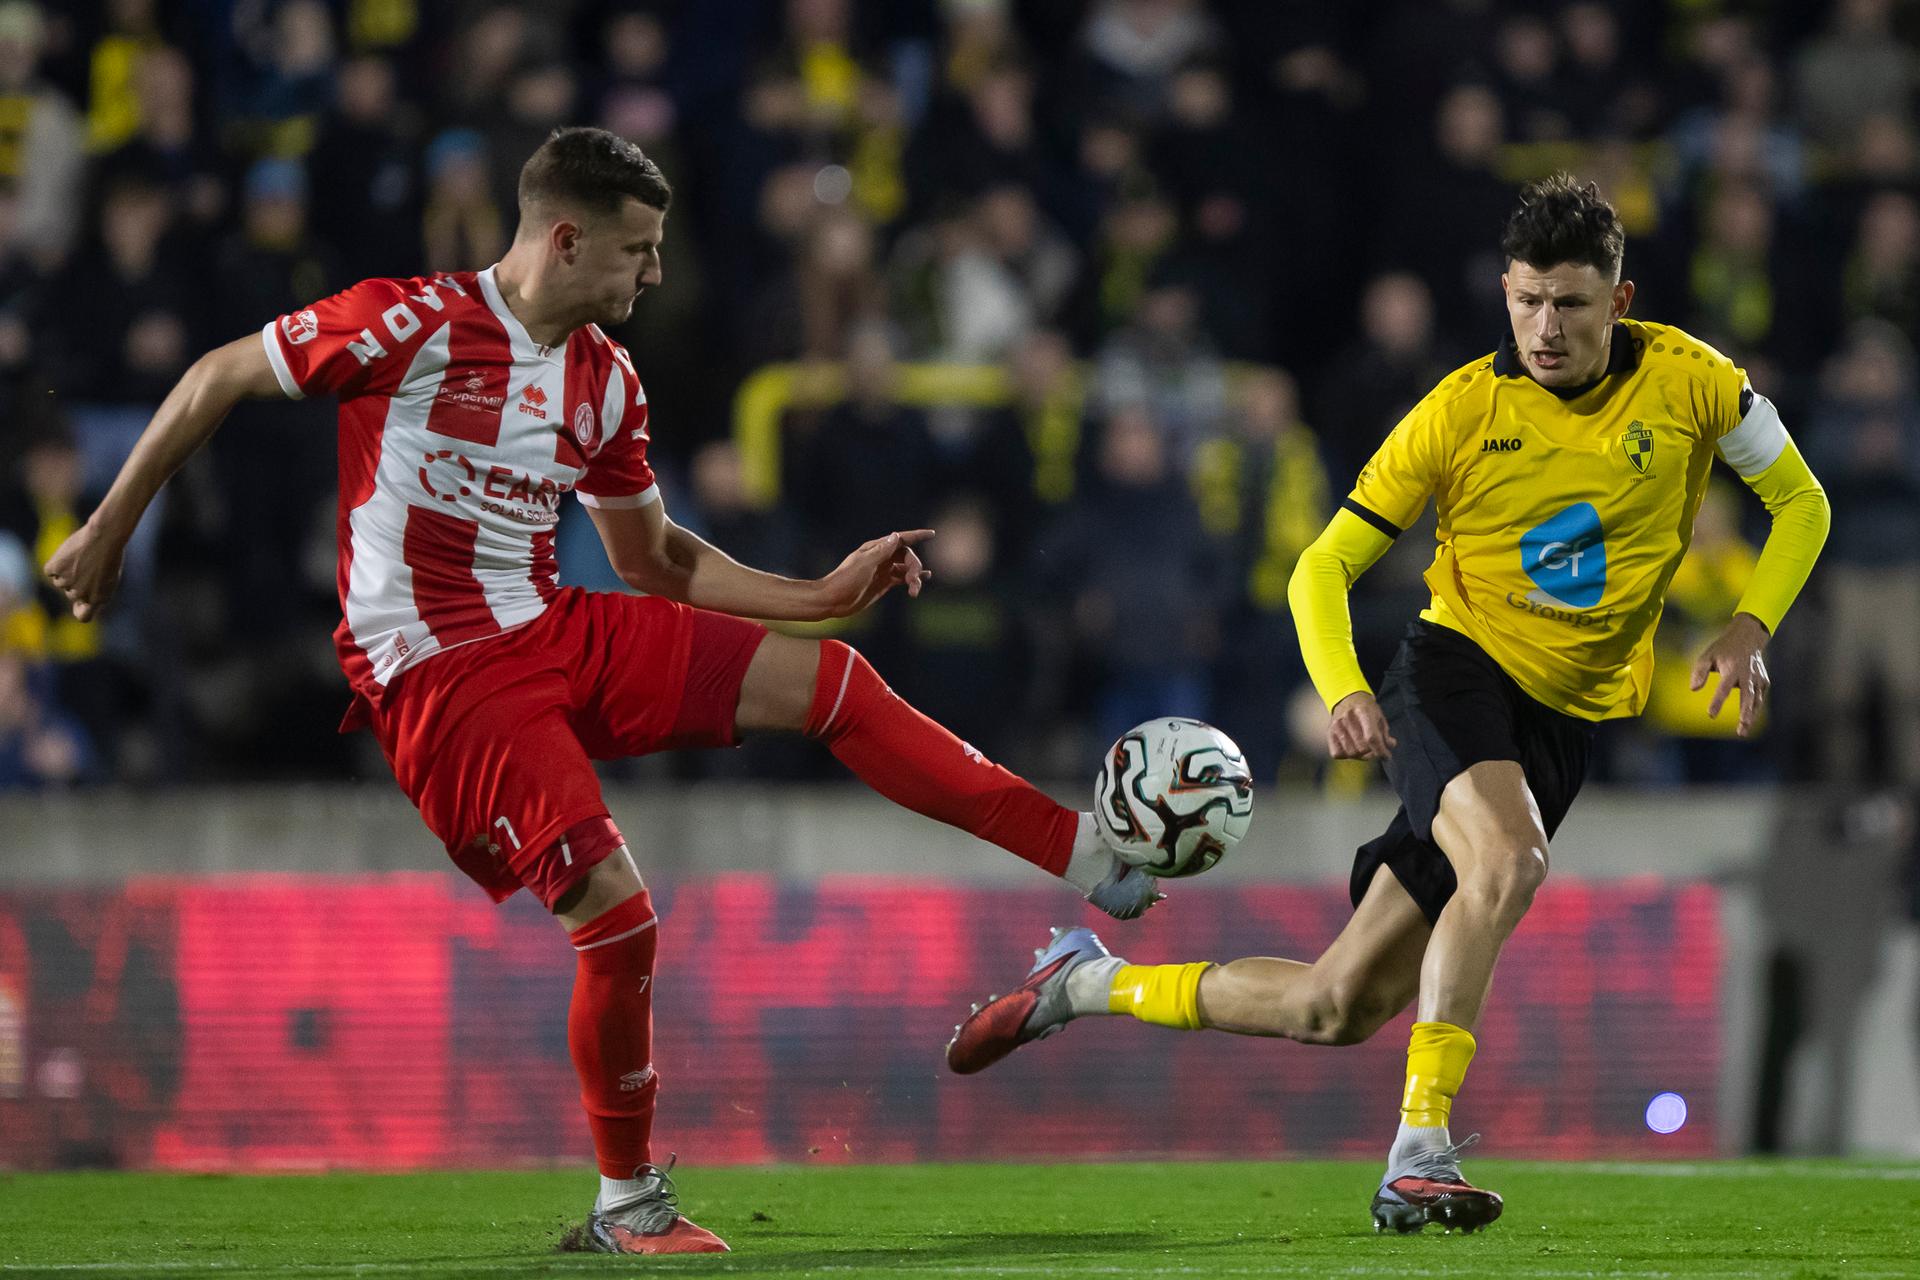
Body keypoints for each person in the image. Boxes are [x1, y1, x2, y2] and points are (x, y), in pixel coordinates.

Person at [41, 127, 1160, 1255]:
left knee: (832, 681)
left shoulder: (604, 380)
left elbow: (653, 558)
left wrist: (819, 595)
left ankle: (1083, 854)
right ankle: (627, 1202)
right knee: (619, 916)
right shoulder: (415, 323)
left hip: (549, 625)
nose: (657, 272)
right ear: (568, 239)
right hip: (437, 670)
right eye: (639, 248)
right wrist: (107, 527)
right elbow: (219, 373)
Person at [946, 175, 1830, 1234]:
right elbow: (1319, 568)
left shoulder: (1696, 382)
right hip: (1455, 675)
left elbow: (1802, 500)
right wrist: (1345, 689)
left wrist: (1750, 626)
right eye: (1529, 300)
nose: (1546, 328)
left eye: (1572, 304)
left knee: (1335, 1005)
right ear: (1505, 292)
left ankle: (1084, 984)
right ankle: (1420, 1149)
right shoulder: (1458, 413)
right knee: (1510, 861)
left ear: (1620, 300)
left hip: (1562, 724)